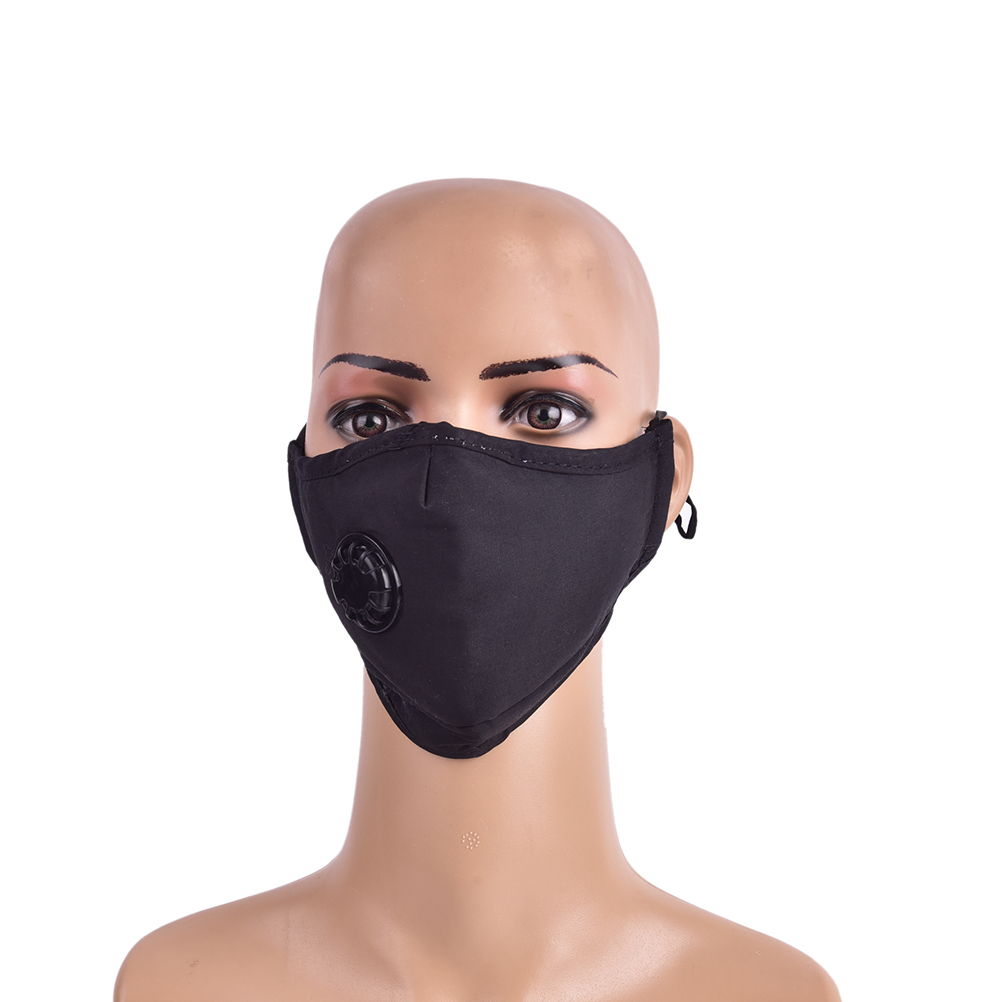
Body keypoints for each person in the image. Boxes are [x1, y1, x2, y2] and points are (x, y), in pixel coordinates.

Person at [115, 178, 840, 1001]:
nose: (447, 485)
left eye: (544, 412)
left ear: (663, 480)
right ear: (305, 477)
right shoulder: (177, 983)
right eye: (372, 420)